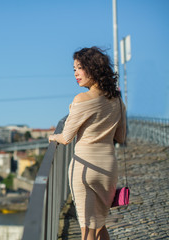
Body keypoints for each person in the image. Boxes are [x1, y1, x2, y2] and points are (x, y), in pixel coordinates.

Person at [48, 47, 126, 240]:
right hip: (108, 168)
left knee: (87, 230)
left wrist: (53, 137)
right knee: (99, 225)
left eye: (79, 68)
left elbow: (66, 137)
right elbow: (121, 137)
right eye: (74, 69)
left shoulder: (82, 99)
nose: (75, 73)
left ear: (93, 68)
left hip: (84, 167)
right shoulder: (117, 100)